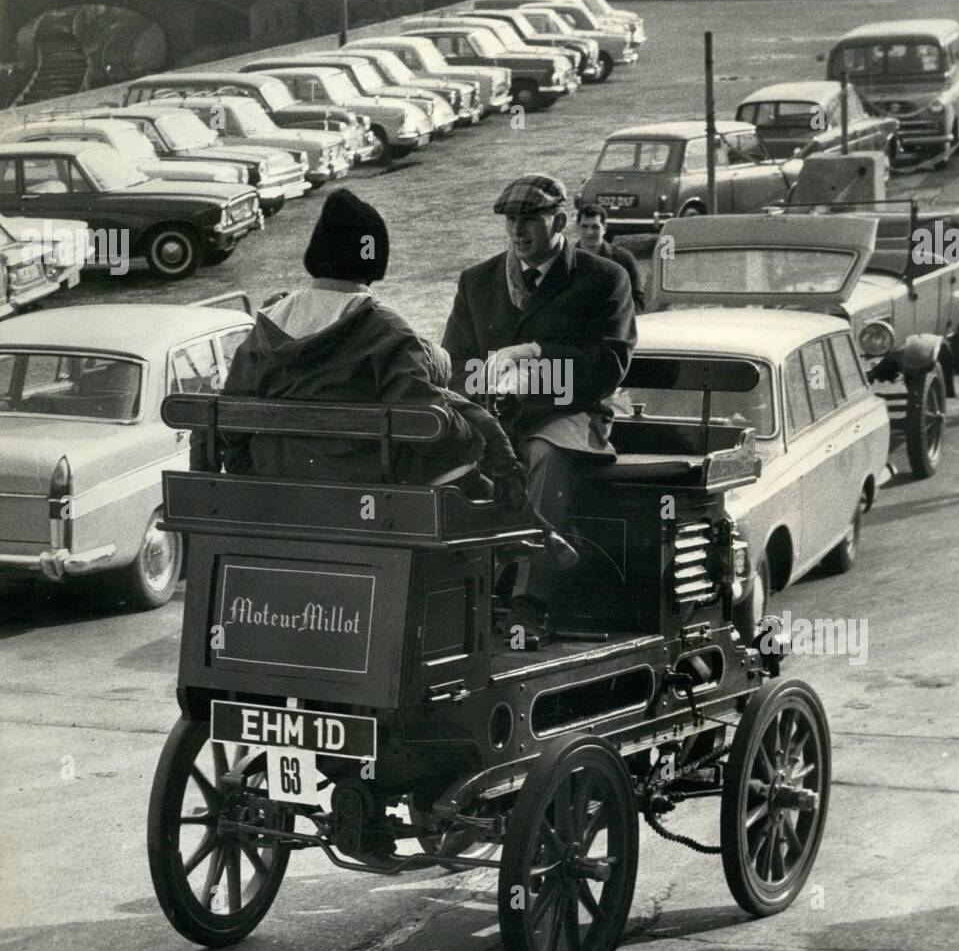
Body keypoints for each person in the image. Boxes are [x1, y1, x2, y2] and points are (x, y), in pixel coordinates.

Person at [443, 173, 637, 647]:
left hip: (571, 414)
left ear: (561, 221)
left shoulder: (604, 278)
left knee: (546, 455)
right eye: (511, 220)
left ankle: (530, 606)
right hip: (495, 420)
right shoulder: (478, 280)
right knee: (446, 462)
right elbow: (455, 366)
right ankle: (458, 597)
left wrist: (533, 356)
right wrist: (487, 385)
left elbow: (609, 365)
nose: (518, 230)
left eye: (530, 219)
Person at [218, 189, 516, 489]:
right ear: (372, 259)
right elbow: (424, 421)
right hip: (368, 490)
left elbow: (232, 412)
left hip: (278, 480)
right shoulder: (385, 329)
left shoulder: (268, 323)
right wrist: (473, 440)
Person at [575, 202, 645, 311]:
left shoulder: (624, 259)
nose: (589, 232)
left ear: (605, 228)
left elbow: (637, 300)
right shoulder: (565, 261)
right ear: (577, 227)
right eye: (584, 226)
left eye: (595, 227)